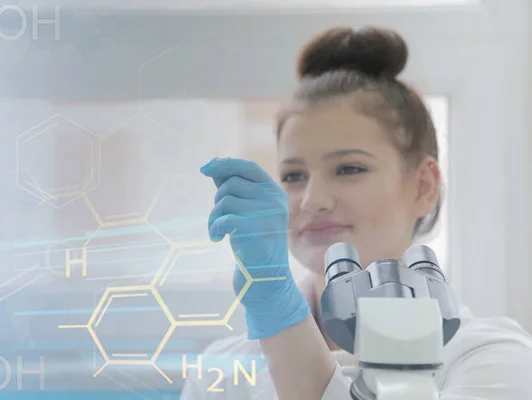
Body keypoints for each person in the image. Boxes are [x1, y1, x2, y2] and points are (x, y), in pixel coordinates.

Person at [180, 26, 532, 400]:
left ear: (423, 186)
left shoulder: (491, 358)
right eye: (294, 175)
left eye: (349, 169)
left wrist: (282, 322)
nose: (312, 200)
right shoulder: (222, 373)